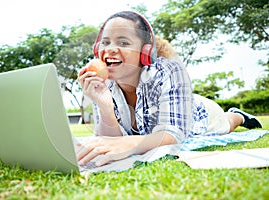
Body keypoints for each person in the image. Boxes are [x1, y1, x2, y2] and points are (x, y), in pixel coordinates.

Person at [77, 11, 262, 167]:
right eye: (105, 42)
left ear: (145, 52)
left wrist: (130, 143)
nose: (110, 49)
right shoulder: (102, 85)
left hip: (200, 113)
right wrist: (105, 107)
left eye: (123, 42)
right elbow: (109, 143)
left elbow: (172, 134)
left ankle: (239, 115)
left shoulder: (168, 73)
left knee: (227, 124)